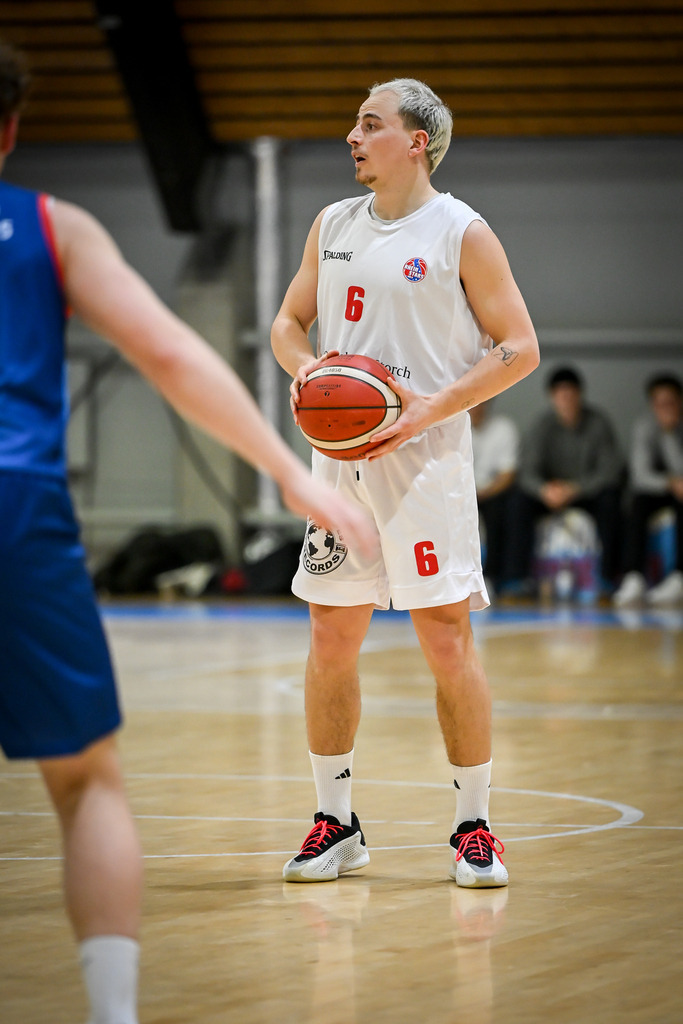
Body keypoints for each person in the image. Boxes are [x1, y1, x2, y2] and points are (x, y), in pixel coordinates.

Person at [0, 42, 375, 1024]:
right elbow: (169, 353)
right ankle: (112, 1013)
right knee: (86, 785)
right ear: (11, 127)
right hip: (15, 508)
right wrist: (289, 473)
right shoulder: (49, 226)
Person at [271, 78, 539, 889]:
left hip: (425, 467)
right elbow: (287, 324)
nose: (351, 137)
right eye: (355, 124)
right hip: (340, 467)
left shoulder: (462, 231)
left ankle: (473, 827)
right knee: (329, 637)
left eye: (369, 123)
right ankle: (336, 822)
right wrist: (305, 370)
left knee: (445, 642)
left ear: (416, 141)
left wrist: (428, 409)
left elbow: (518, 347)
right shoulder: (332, 223)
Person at [501, 366, 623, 595]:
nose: (566, 399)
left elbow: (609, 470)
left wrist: (576, 488)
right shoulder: (542, 425)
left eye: (570, 393)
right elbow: (527, 470)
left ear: (580, 394)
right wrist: (544, 489)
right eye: (560, 394)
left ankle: (608, 577)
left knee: (611, 500)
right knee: (517, 502)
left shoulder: (598, 423)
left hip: (585, 493)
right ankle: (516, 578)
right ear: (552, 397)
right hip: (551, 493)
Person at [613, 374, 683, 607]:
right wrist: (671, 483)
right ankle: (633, 576)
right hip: (658, 489)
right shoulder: (644, 426)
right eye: (659, 403)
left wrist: (669, 433)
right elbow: (640, 475)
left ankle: (679, 577)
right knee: (637, 502)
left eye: (669, 402)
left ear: (680, 402)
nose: (664, 408)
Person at [469, 399, 520, 593]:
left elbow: (508, 474)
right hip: (459, 494)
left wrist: (484, 493)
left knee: (504, 509)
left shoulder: (503, 429)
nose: (476, 408)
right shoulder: (452, 428)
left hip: (491, 493)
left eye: (480, 402)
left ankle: (493, 576)